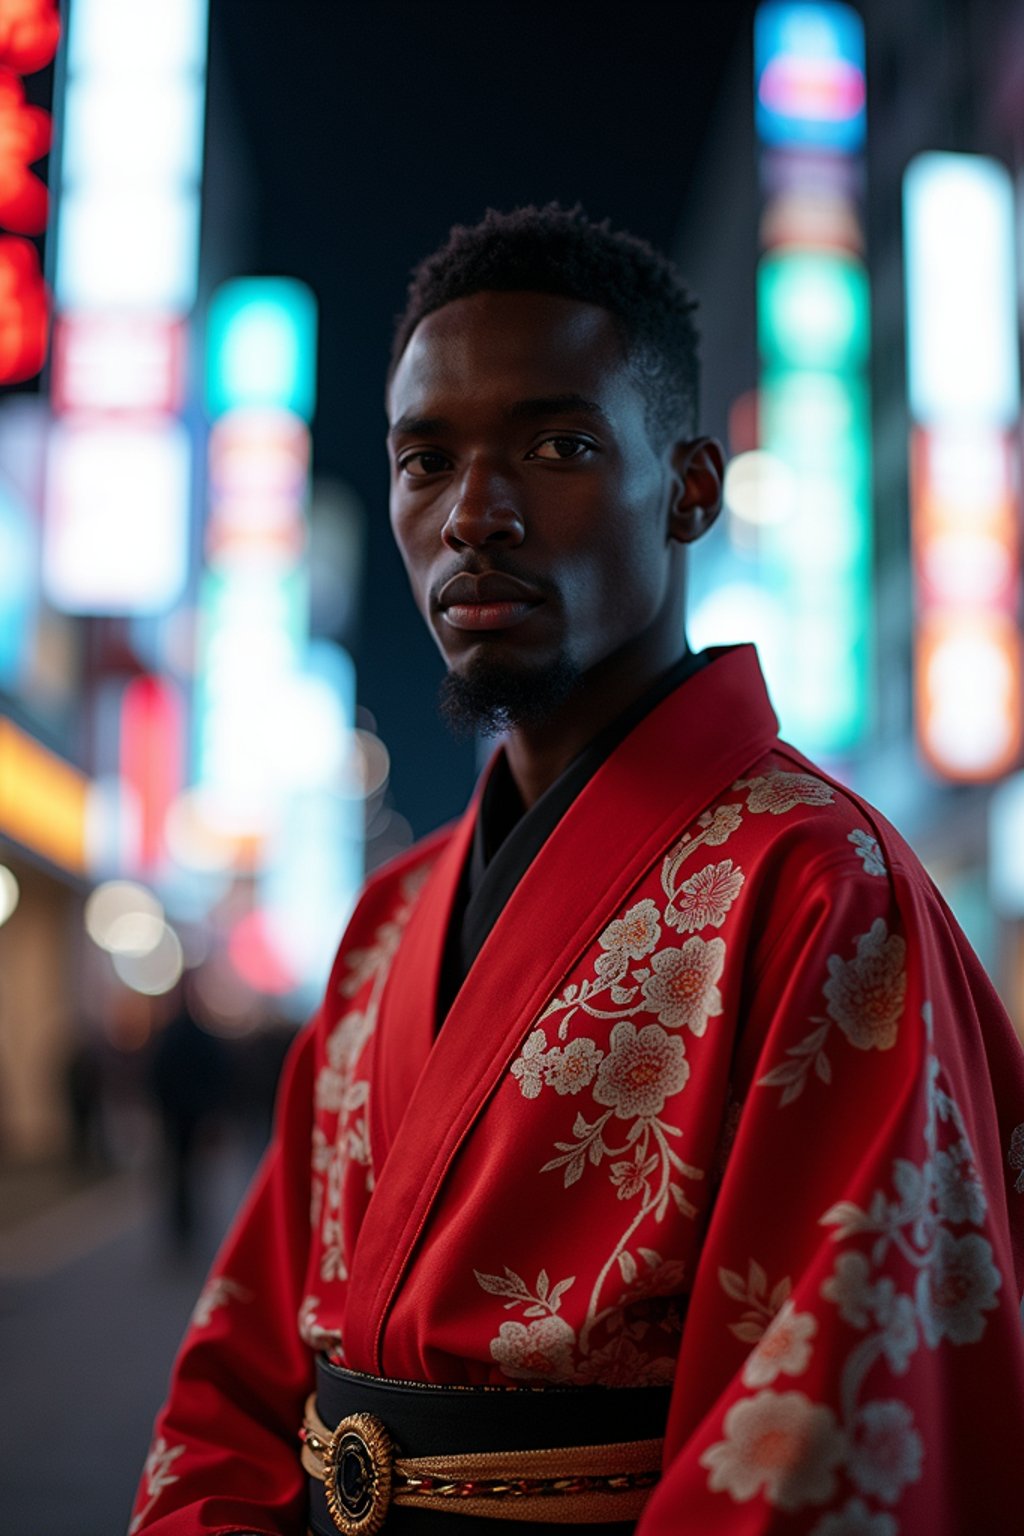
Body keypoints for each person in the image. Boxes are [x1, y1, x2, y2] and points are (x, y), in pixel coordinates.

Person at [130, 206, 1024, 1536]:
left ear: (692, 488)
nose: (473, 514)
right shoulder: (387, 918)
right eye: (425, 459)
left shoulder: (819, 886)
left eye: (556, 445)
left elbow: (819, 1436)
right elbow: (241, 1364)